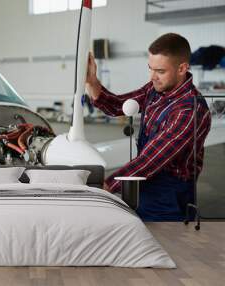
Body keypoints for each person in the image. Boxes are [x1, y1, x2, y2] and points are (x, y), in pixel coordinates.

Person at [85, 33, 211, 221]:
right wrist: (92, 81)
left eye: (160, 71)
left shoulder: (190, 109)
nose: (152, 77)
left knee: (168, 245)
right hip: (144, 183)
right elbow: (120, 105)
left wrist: (108, 185)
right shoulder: (155, 89)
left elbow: (152, 159)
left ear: (182, 68)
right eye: (150, 68)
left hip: (169, 198)